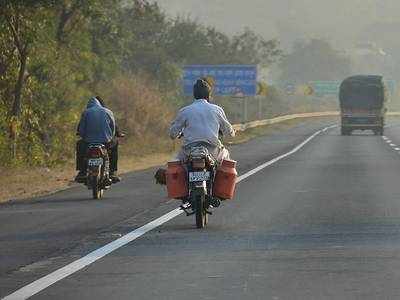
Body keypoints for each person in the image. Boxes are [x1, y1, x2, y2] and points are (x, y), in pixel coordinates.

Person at [169, 78, 235, 163]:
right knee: (226, 156)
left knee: (175, 163)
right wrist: (232, 132)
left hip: (189, 151)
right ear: (208, 96)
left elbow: (173, 134)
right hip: (213, 150)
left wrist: (179, 133)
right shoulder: (217, 110)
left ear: (194, 95)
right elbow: (229, 131)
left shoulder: (185, 111)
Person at [75, 96, 121, 183]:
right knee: (114, 146)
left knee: (79, 145)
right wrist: (110, 137)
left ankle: (82, 171)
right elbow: (113, 127)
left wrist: (84, 136)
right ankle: (112, 171)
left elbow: (81, 130)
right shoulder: (108, 112)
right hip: (105, 141)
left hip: (88, 142)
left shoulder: (86, 112)